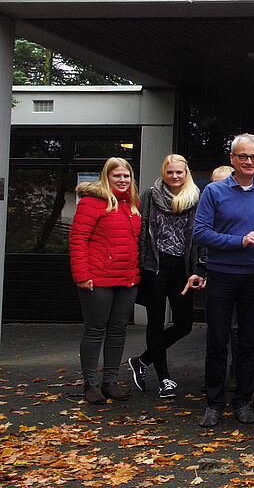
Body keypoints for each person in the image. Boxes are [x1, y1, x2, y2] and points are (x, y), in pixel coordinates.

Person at [193, 133, 254, 428]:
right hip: (221, 275)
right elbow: (200, 233)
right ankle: (214, 403)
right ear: (232, 159)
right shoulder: (214, 191)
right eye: (242, 156)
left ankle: (244, 400)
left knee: (249, 342)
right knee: (217, 341)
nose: (248, 162)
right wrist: (239, 241)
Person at [128, 154, 205, 399]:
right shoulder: (151, 195)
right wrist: (140, 265)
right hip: (155, 266)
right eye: (170, 172)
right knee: (156, 321)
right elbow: (142, 231)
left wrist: (199, 268)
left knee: (184, 324)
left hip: (182, 268)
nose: (174, 176)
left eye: (179, 172)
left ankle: (142, 361)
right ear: (164, 172)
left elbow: (200, 236)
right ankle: (164, 379)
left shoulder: (196, 197)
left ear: (186, 173)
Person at [69, 157, 142, 405]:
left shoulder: (132, 205)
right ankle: (90, 384)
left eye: (126, 176)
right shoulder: (92, 203)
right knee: (94, 330)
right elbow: (78, 240)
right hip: (97, 279)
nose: (122, 180)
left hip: (126, 279)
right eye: (117, 176)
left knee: (118, 331)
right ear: (106, 178)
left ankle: (110, 381)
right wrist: (82, 276)